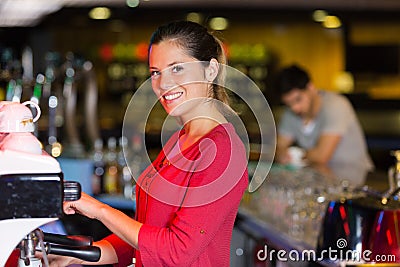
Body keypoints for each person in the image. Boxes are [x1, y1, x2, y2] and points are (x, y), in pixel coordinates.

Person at [44, 21, 249, 267]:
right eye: (155, 72)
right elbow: (146, 236)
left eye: (177, 68)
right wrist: (81, 254)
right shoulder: (179, 140)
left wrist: (100, 211)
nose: (163, 84)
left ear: (210, 70)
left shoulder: (222, 151)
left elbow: (177, 251)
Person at [274, 64, 374, 172]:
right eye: (288, 104)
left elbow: (322, 156)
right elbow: (278, 148)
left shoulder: (335, 105)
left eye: (298, 99)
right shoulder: (290, 113)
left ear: (311, 87)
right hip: (320, 179)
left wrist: (296, 154)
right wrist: (281, 154)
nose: (295, 108)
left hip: (354, 177)